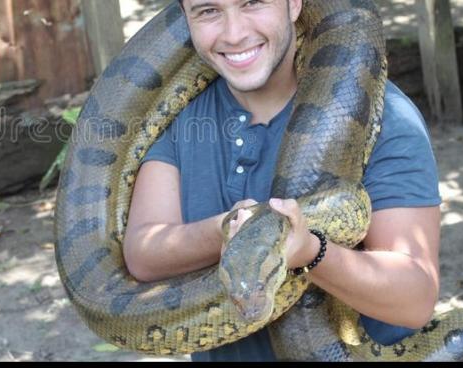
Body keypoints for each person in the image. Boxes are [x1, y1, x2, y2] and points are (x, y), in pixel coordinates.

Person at [122, 0, 442, 362]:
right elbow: (142, 255)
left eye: (253, 3)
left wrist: (311, 253)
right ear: (186, 18)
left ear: (294, 4)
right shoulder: (183, 124)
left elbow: (414, 301)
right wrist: (229, 230)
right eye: (207, 10)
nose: (234, 33)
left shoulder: (385, 117)